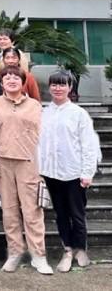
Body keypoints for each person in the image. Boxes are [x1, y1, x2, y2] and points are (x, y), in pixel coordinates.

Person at [0, 66, 52, 275]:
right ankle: (14, 252)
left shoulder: (35, 105)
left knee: (32, 211)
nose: (11, 80)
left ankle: (38, 256)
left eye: (16, 77)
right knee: (9, 211)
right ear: (1, 82)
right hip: (3, 163)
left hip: (30, 163)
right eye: (7, 77)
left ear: (23, 82)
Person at [38, 70, 100, 272]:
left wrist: (87, 172)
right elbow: (39, 144)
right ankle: (67, 250)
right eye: (54, 84)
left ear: (70, 88)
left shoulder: (78, 114)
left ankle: (80, 249)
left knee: (77, 214)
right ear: (49, 87)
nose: (57, 88)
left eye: (62, 84)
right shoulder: (43, 113)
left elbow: (89, 145)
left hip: (74, 173)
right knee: (61, 214)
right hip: (51, 173)